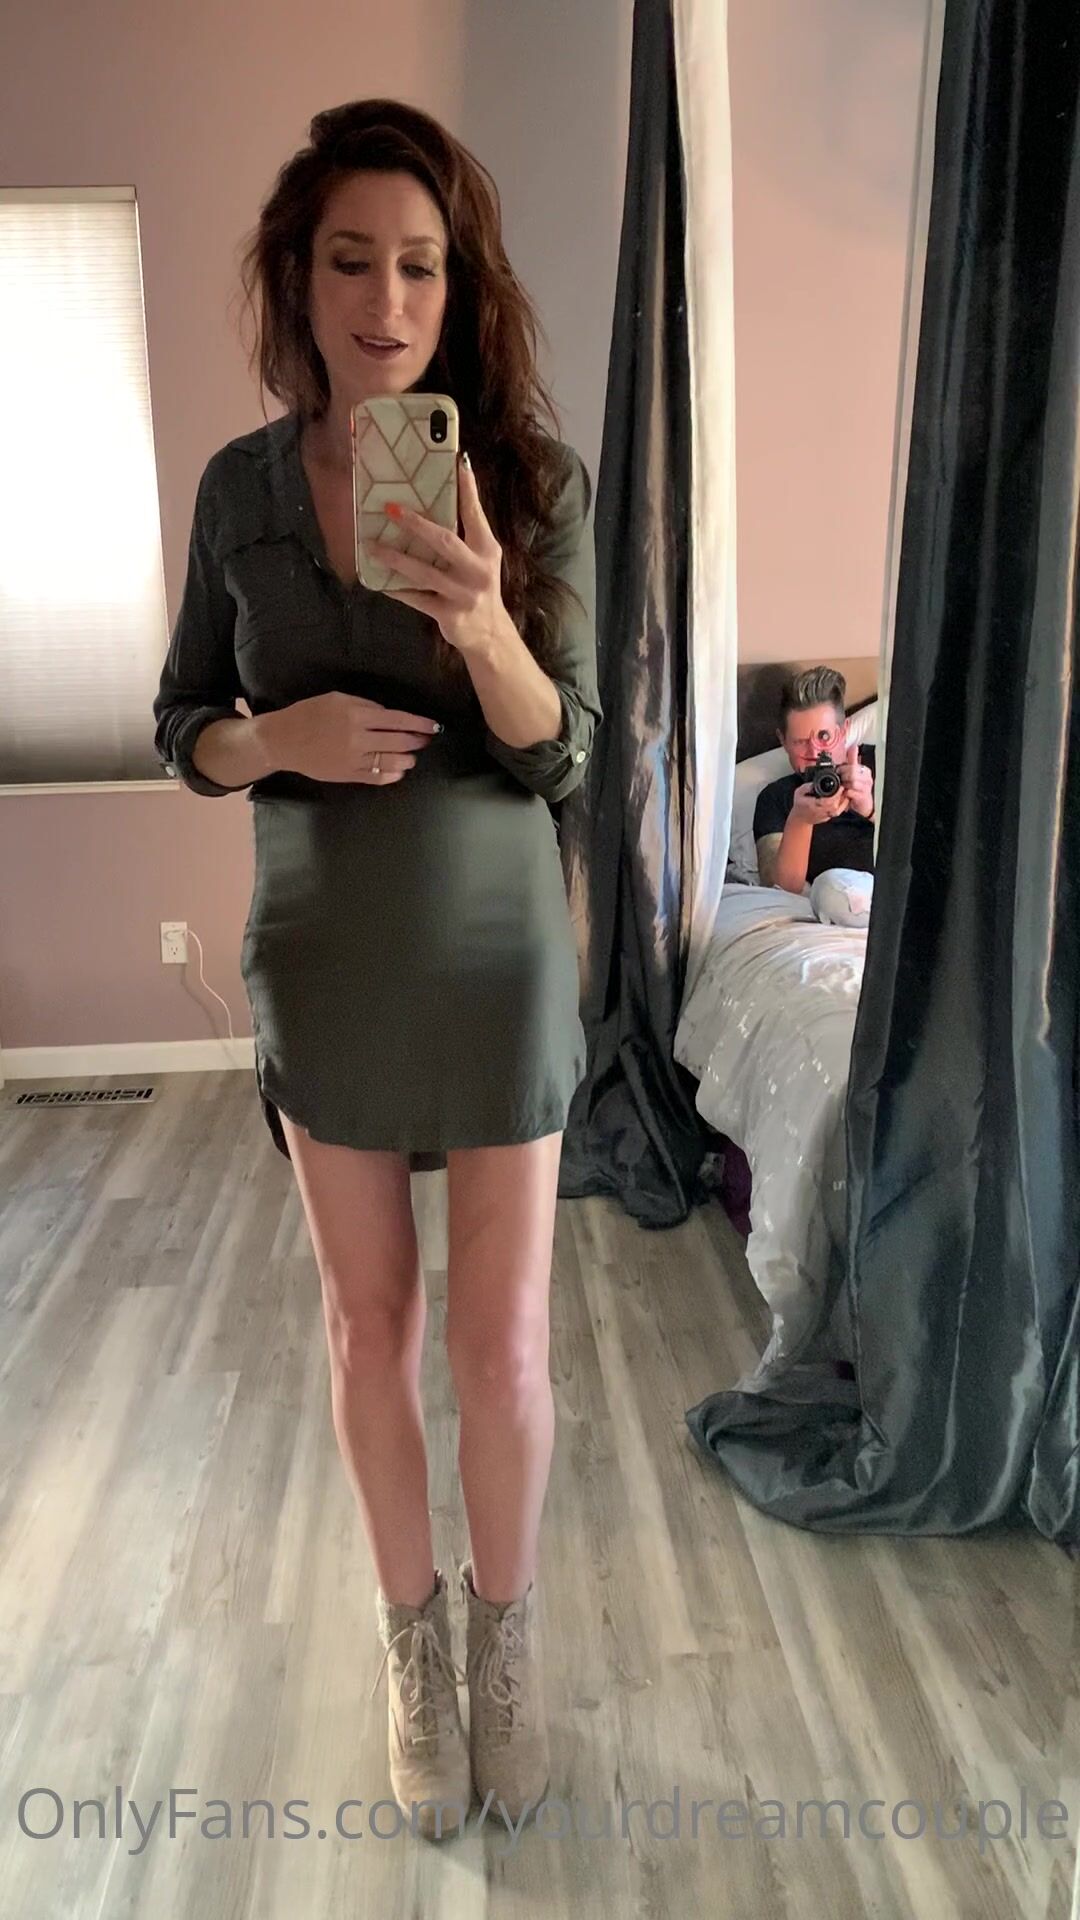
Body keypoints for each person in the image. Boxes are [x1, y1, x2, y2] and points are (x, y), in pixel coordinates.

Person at [152, 99, 601, 1841]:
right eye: (352, 261)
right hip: (325, 946)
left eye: (419, 265)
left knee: (504, 1344)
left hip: (494, 944)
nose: (387, 300)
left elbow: (566, 753)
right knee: (369, 1326)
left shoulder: (531, 482)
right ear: (303, 278)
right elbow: (183, 724)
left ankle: (505, 1641)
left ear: (457, 286)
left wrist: (480, 617)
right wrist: (277, 739)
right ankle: (410, 1646)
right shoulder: (240, 491)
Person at [753, 666, 876, 927]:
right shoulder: (776, 798)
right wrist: (800, 820)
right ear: (783, 741)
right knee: (830, 889)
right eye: (800, 742)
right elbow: (780, 888)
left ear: (843, 731)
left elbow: (931, 846)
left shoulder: (887, 765)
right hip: (833, 908)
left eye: (824, 736)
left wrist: (871, 810)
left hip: (894, 901)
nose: (815, 752)